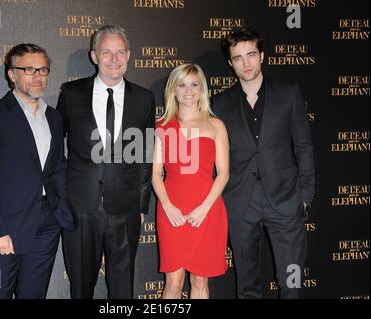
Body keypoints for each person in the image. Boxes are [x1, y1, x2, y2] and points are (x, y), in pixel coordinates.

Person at [212, 28, 315, 299]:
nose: (246, 63)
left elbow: (303, 147)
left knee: (292, 283)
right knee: (246, 287)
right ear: (230, 63)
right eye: (238, 58)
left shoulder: (288, 94)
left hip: (285, 201)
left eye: (251, 55)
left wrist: (304, 196)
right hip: (240, 205)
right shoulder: (219, 105)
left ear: (262, 56)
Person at [0, 43, 76, 299]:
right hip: (5, 225)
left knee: (34, 294)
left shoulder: (54, 117)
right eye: (29, 69)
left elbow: (57, 166)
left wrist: (61, 208)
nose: (38, 76)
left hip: (47, 224)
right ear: (12, 74)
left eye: (43, 69)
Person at [57, 25, 156, 299]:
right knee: (81, 286)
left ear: (129, 55)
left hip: (125, 208)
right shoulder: (71, 93)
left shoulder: (145, 98)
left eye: (120, 52)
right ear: (94, 56)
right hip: (80, 207)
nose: (114, 59)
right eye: (106, 52)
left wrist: (141, 203)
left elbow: (145, 154)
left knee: (123, 287)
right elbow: (55, 149)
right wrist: (64, 194)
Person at [152, 63, 229, 299]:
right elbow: (155, 174)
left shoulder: (215, 125)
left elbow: (224, 173)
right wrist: (167, 206)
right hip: (171, 207)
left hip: (207, 209)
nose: (188, 91)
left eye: (194, 85)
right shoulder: (161, 126)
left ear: (202, 89)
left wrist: (203, 209)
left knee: (200, 280)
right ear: (173, 90)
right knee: (174, 282)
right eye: (182, 85)